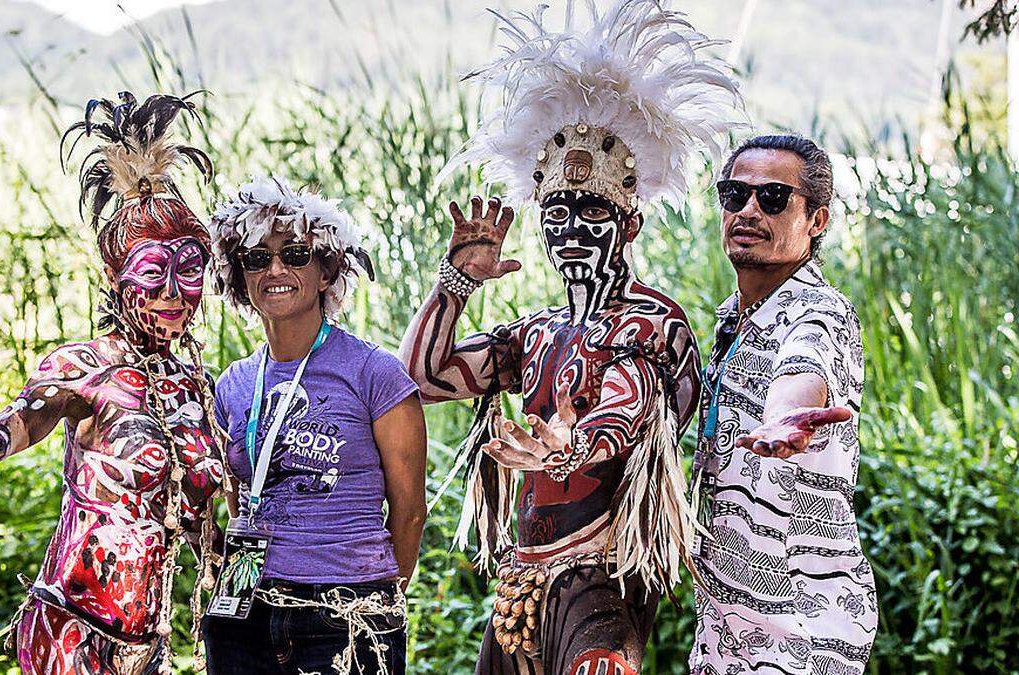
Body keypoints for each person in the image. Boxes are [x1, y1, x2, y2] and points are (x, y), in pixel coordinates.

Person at [400, 2, 744, 673]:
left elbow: (633, 400)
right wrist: (456, 282)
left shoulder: (654, 321)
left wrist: (575, 443)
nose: (571, 228)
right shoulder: (535, 333)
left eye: (593, 210)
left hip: (602, 580)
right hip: (520, 584)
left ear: (630, 223)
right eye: (557, 211)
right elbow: (424, 374)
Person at [0, 91, 227, 675]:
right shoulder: (86, 368)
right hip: (69, 633)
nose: (172, 293)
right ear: (115, 278)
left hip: (147, 647)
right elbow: (14, 424)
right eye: (152, 273)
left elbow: (211, 524)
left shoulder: (199, 389)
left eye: (189, 270)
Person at [202, 177, 427, 675]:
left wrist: (376, 595)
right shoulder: (233, 383)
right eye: (257, 258)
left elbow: (410, 512)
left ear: (326, 271)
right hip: (244, 610)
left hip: (346, 614)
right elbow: (234, 496)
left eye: (296, 254)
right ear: (240, 278)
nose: (276, 269)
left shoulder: (375, 373)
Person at [689, 134, 878, 674]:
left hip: (802, 627)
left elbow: (802, 371)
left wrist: (784, 421)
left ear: (816, 220)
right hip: (726, 623)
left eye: (772, 198)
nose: (748, 211)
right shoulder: (734, 319)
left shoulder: (817, 311)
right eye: (734, 194)